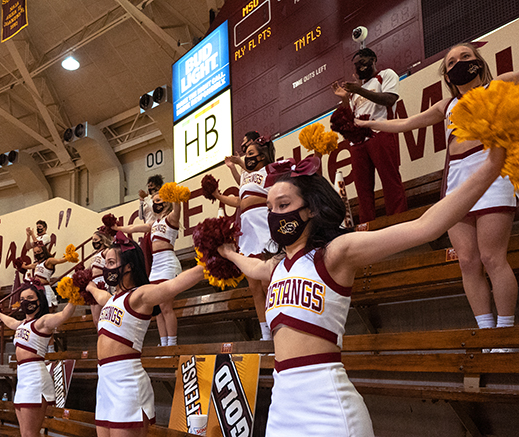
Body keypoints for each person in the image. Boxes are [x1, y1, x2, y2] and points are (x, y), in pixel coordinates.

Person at [217, 146, 506, 436]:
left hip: (328, 404)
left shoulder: (335, 253)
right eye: (270, 209)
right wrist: (227, 252)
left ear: (312, 208)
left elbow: (426, 227)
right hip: (281, 406)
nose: (274, 215)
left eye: (283, 205)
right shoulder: (275, 267)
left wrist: (491, 168)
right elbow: (252, 268)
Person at [356, 43, 519, 336]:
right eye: (451, 61)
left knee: (492, 258)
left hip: (493, 174)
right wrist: (366, 124)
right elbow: (406, 123)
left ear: (479, 62)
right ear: (446, 75)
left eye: (465, 57)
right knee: (468, 261)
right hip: (456, 181)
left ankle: (504, 333)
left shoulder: (500, 85)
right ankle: (485, 331)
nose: (459, 63)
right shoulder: (445, 106)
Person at [83, 233, 204, 435]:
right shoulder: (111, 299)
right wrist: (85, 284)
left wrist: (210, 262)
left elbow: (173, 285)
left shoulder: (139, 295)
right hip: (104, 382)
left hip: (126, 382)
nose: (107, 268)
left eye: (111, 262)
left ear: (128, 266)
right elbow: (96, 292)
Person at [210, 136, 277, 340]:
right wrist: (218, 195)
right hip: (247, 228)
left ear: (263, 155)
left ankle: (278, 328)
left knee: (268, 283)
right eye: (246, 154)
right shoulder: (247, 178)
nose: (247, 158)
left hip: (264, 222)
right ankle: (265, 334)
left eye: (250, 154)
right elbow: (240, 200)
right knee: (254, 286)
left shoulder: (270, 172)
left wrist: (238, 163)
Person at [331, 47, 408, 223]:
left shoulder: (386, 75)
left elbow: (389, 99)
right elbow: (350, 116)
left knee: (390, 179)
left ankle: (399, 220)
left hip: (381, 132)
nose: (360, 67)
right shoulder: (355, 91)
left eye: (363, 62)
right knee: (362, 187)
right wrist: (345, 98)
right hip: (358, 141)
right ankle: (367, 224)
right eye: (356, 65)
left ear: (373, 59)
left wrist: (358, 91)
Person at [0, 284, 76, 437]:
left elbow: (64, 315)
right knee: (26, 433)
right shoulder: (21, 324)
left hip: (35, 377)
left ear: (39, 301)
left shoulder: (42, 322)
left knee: (29, 433)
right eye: (22, 299)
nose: (25, 302)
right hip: (22, 376)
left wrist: (74, 297)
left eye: (30, 298)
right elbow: (10, 322)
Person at [114, 191, 183, 347]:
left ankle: (172, 345)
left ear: (166, 202)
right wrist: (116, 227)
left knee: (166, 307)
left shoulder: (171, 218)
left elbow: (178, 208)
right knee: (156, 309)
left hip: (168, 263)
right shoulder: (153, 224)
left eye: (158, 200)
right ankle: (163, 344)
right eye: (153, 201)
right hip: (156, 266)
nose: (155, 203)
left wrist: (176, 197)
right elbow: (132, 228)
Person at [22, 243, 75, 310]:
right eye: (35, 252)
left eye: (38, 252)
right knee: (37, 307)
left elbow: (60, 260)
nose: (36, 254)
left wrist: (69, 255)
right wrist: (21, 264)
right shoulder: (36, 264)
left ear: (44, 251)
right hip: (36, 288)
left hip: (45, 287)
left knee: (49, 306)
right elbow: (26, 267)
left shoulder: (49, 261)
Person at [89, 229, 115, 327]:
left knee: (103, 317)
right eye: (92, 239)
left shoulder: (106, 251)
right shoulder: (95, 254)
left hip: (101, 282)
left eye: (96, 239)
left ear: (102, 240)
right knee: (96, 320)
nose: (94, 242)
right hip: (93, 283)